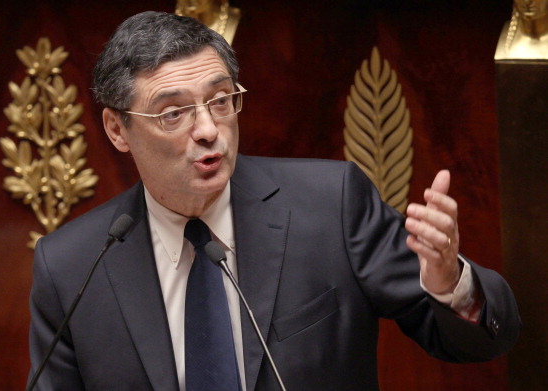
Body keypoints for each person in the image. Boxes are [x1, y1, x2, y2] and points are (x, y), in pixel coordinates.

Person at [28, 11, 521, 391]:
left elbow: (483, 341)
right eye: (173, 113)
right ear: (118, 128)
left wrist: (450, 283)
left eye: (220, 101)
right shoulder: (71, 266)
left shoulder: (331, 207)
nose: (207, 130)